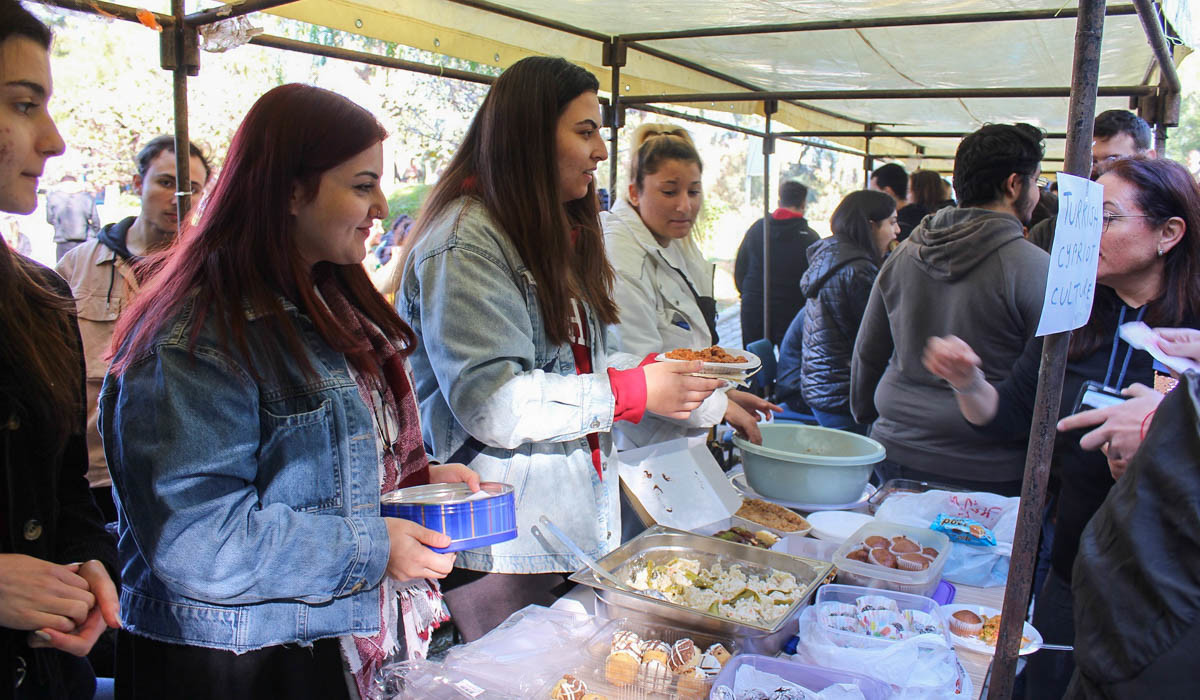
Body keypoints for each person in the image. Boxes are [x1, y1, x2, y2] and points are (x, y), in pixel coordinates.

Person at [101, 84, 478, 699]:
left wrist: (417, 482)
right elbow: (200, 541)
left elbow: (313, 470)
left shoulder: (325, 302)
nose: (383, 205)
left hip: (317, 639)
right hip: (238, 660)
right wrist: (372, 544)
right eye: (362, 185)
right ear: (290, 193)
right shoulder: (194, 338)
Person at [399, 56, 722, 641]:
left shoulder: (552, 229)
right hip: (501, 545)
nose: (601, 150)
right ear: (527, 136)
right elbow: (492, 403)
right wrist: (634, 390)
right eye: (584, 130)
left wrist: (653, 374)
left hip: (571, 526)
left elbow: (583, 364)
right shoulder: (464, 242)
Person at [922, 157, 1200, 698]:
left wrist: (1159, 431)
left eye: (1109, 218)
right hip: (1072, 563)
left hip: (1168, 588)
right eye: (1084, 217)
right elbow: (1009, 418)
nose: (1087, 234)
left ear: (1169, 233)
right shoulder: (1075, 313)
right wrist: (968, 381)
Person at [1, 4, 121, 697]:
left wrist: (87, 562)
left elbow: (65, 489)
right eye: (24, 105)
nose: (52, 140)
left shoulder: (42, 297)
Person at [851, 123, 1049, 494]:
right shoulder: (1035, 268)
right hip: (986, 467)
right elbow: (1046, 380)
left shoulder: (905, 253)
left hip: (894, 445)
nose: (1037, 194)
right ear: (1014, 185)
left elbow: (868, 349)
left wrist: (869, 415)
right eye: (1036, 182)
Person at [55, 136, 211, 524]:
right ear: (138, 181)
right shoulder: (78, 267)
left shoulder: (214, 272)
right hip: (95, 478)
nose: (178, 197)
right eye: (165, 182)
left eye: (191, 188)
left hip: (181, 479)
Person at [603, 123, 780, 449]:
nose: (685, 206)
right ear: (633, 191)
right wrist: (720, 406)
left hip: (678, 438)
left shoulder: (672, 237)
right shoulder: (623, 257)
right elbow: (638, 365)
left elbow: (686, 340)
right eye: (669, 192)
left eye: (694, 191)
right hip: (640, 446)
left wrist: (726, 392)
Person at [777, 190, 898, 433]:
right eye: (892, 223)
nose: (897, 231)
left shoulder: (835, 260)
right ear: (871, 226)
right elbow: (878, 339)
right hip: (842, 396)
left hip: (822, 389)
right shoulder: (858, 270)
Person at [1027, 109, 1156, 247]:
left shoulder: (1160, 227)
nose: (1100, 170)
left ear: (1148, 159)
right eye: (1092, 161)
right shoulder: (1048, 233)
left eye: (1114, 160)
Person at [734, 179, 820, 348]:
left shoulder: (758, 228)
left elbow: (740, 268)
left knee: (755, 362)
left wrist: (746, 293)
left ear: (780, 201)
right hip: (792, 310)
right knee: (790, 365)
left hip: (755, 305)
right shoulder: (810, 238)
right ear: (803, 204)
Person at [45, 175, 100, 262]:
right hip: (85, 240)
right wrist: (95, 234)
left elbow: (49, 218)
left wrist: (59, 225)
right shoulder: (87, 197)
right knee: (84, 269)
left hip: (62, 240)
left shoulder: (53, 197)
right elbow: (95, 221)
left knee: (63, 271)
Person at [896, 169, 949, 243]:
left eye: (908, 191)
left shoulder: (908, 220)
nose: (906, 196)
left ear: (920, 192)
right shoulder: (949, 216)